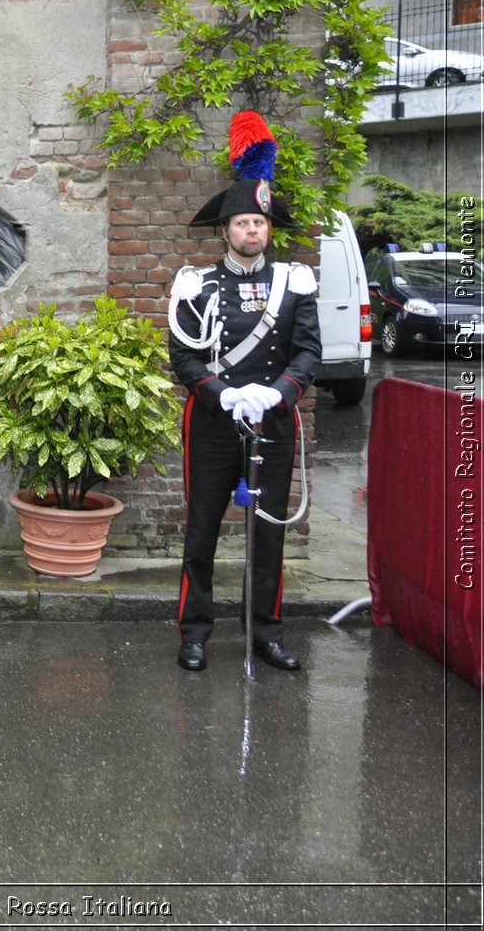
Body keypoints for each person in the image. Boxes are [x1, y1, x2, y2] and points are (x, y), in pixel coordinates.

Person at [167, 112, 320, 673]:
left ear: (268, 229)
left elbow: (309, 353)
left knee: (270, 529)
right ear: (225, 231)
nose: (251, 231)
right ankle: (195, 630)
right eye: (241, 223)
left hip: (274, 421)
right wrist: (222, 394)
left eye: (259, 222)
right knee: (203, 525)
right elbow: (182, 354)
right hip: (213, 420)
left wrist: (278, 393)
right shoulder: (195, 284)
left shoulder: (294, 283)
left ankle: (266, 631)